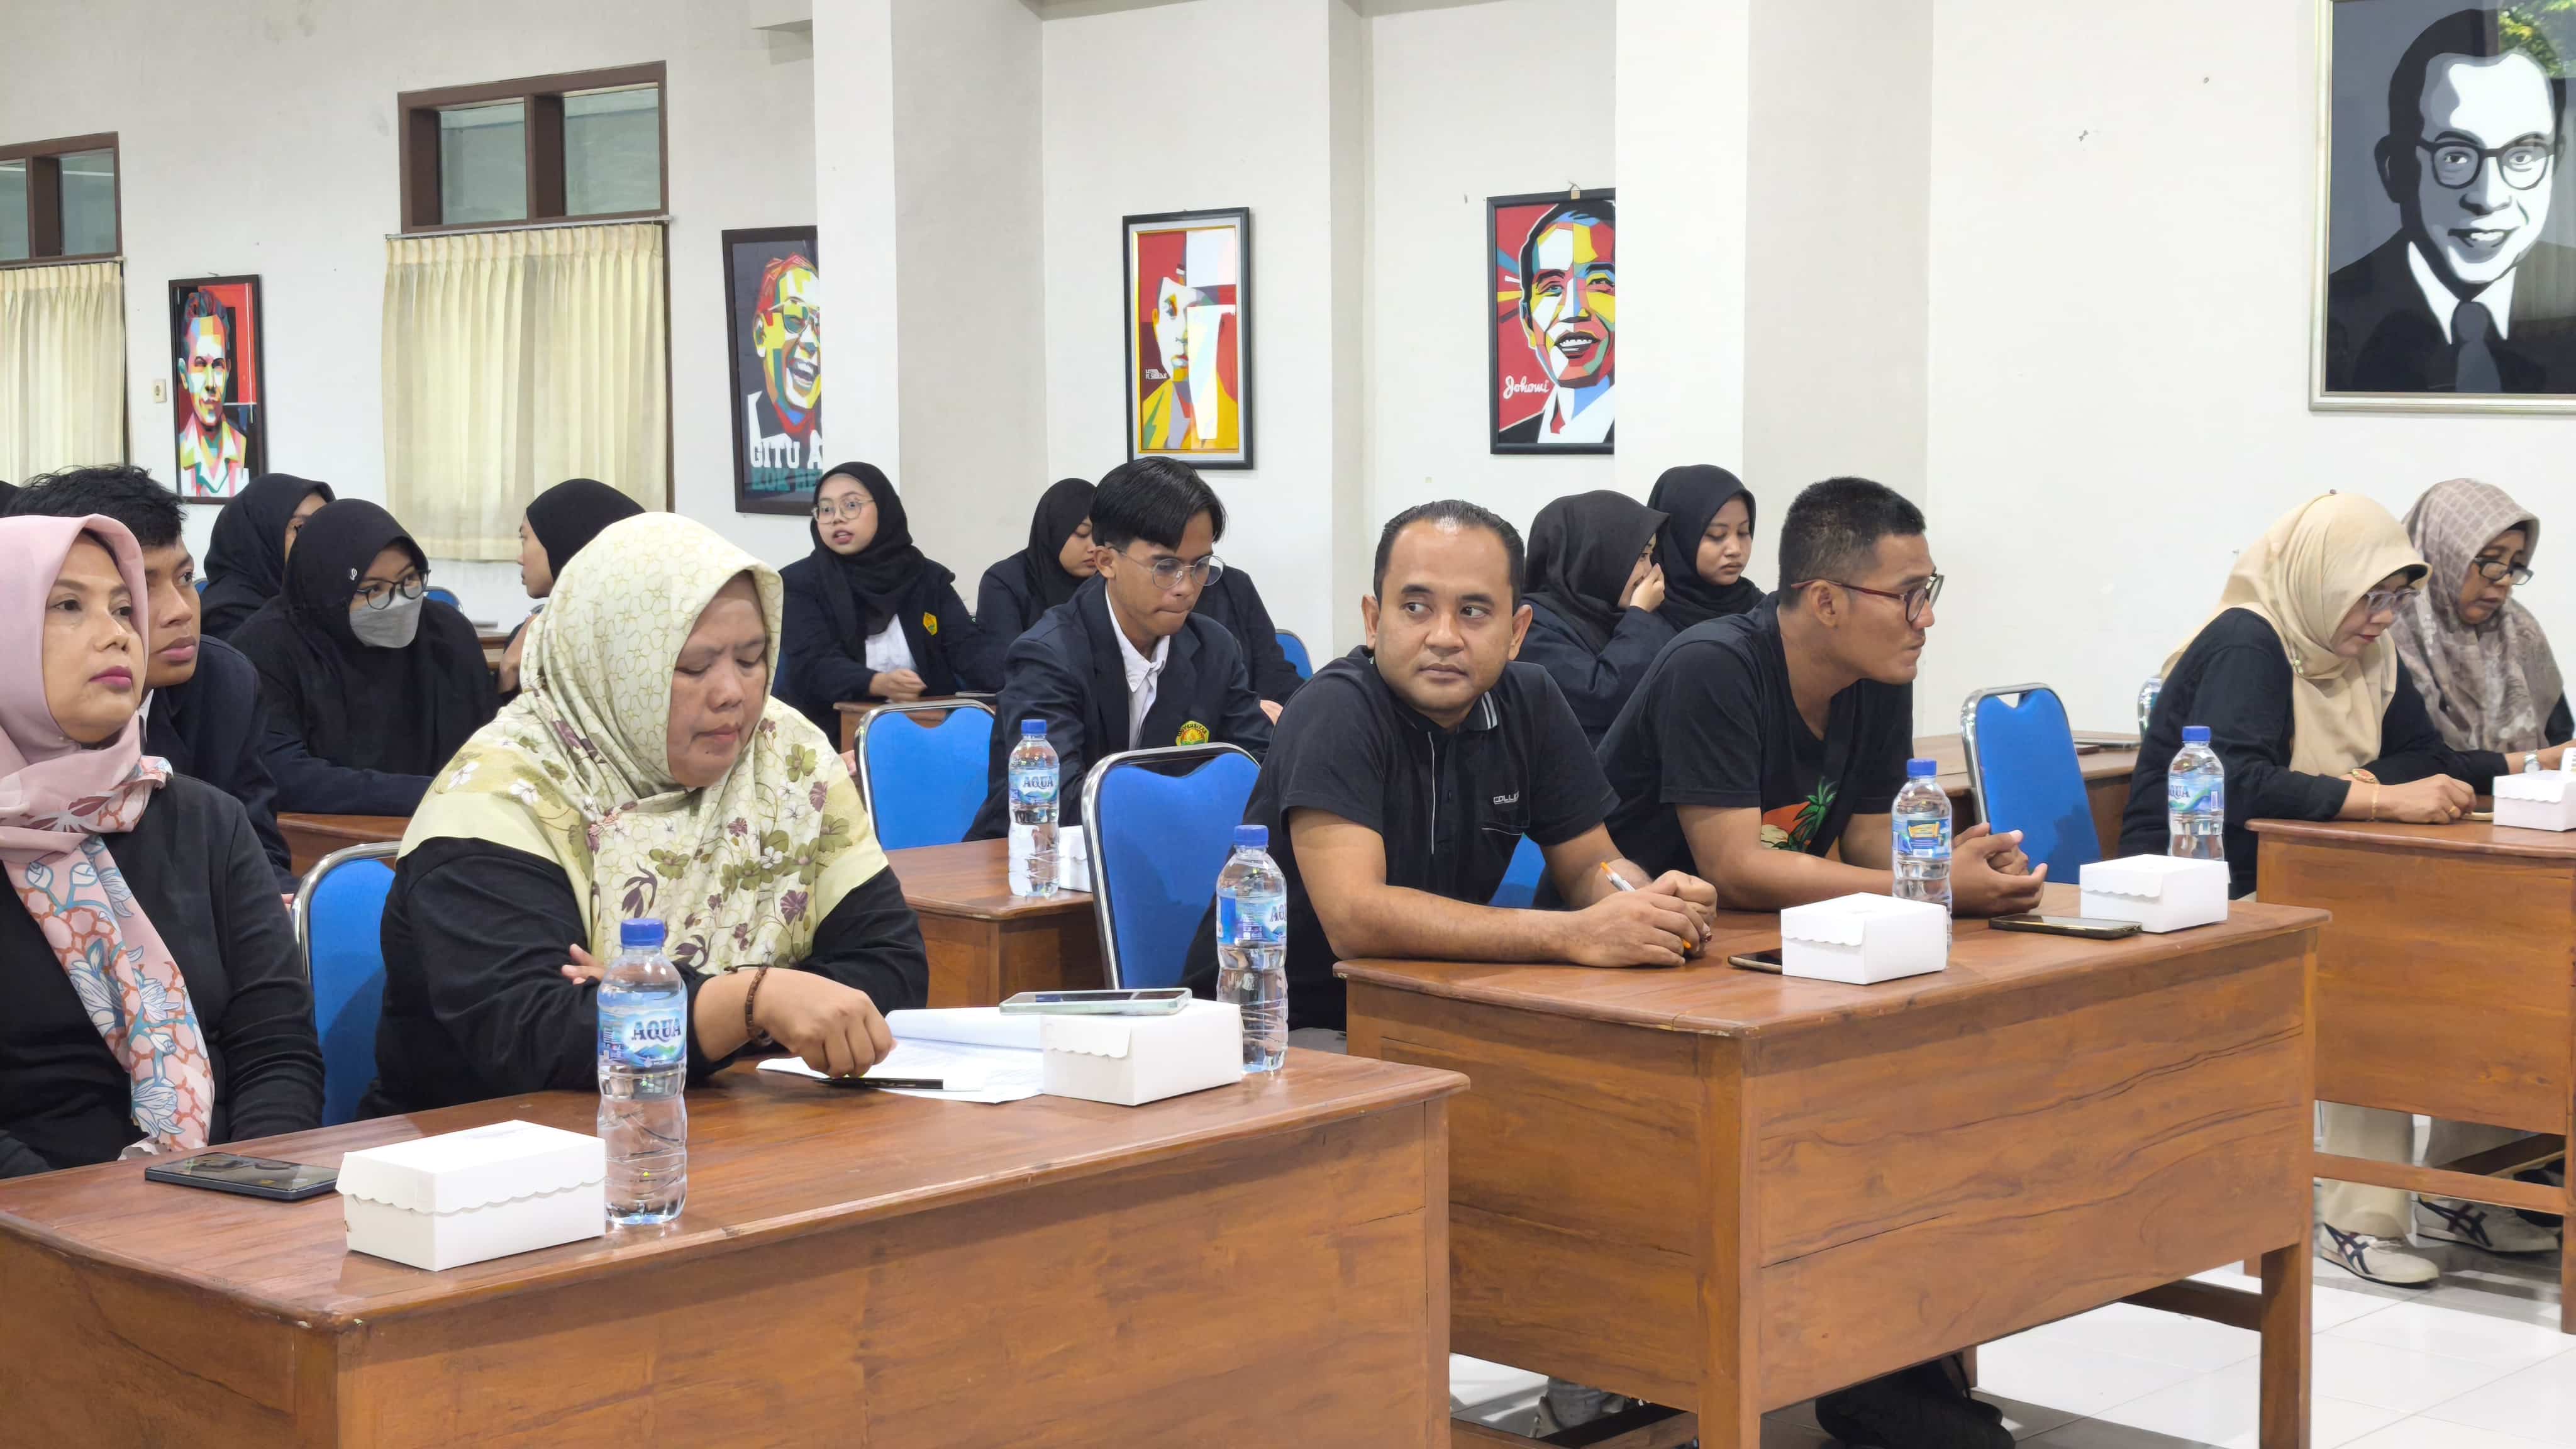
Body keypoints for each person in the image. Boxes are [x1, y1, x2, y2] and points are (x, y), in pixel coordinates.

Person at [363, 515, 928, 1114]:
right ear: (612, 667)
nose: (733, 692)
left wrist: (673, 999)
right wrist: (753, 1000)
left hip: (725, 1120)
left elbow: (892, 969)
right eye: (695, 667)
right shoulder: (499, 797)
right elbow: (537, 1036)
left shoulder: (786, 757)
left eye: (752, 658)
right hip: (487, 1144)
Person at [2121, 494, 2548, 1285]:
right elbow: (2236, 783)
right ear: (2321, 580)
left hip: (2309, 873)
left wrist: (2380, 787)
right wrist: (2376, 799)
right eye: (2369, 597)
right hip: (2204, 886)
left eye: (2395, 600)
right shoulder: (2250, 643)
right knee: (2373, 967)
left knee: (2478, 944)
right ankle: (2359, 1217)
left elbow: (2425, 756)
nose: (2383, 619)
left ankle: (2464, 1187)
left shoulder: (2363, 653)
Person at [1180, 499, 1715, 1043]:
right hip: (1283, 1032)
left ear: (1517, 631)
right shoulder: (1335, 708)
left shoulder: (1531, 701)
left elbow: (1588, 866)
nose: (1443, 637)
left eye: (1474, 612)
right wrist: (1574, 934)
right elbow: (1356, 918)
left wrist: (1646, 904)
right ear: (1373, 621)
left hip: (1433, 1008)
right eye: (1416, 607)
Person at [1, 514, 321, 1177]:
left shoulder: (204, 821)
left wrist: (251, 1186)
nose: (119, 634)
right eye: (68, 606)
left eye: (124, 609)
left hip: (221, 1192)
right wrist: (82, 1223)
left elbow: (276, 1049)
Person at [1587, 477, 2046, 919]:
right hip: (1627, 935)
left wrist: (1946, 868)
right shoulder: (1713, 665)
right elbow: (1735, 871)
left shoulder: (1878, 673)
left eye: (1926, 591)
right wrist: (1925, 886)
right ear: (1826, 602)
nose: (1925, 617)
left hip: (1756, 932)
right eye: (1907, 594)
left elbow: (1869, 838)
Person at [6, 467, 295, 891]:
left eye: (185, 579)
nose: (181, 611)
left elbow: (259, 860)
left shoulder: (224, 683)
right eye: (141, 589)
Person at [967, 456, 1273, 839]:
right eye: (1165, 567)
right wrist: (1194, 798)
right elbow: (1063, 803)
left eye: (1200, 566)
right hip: (1036, 863)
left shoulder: (1214, 649)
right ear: (1106, 562)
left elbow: (1262, 771)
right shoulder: (1047, 656)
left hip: (1168, 853)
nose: (1186, 587)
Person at [2325, 9, 2576, 394]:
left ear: (2555, 163)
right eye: (2455, 157)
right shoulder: (2328, 314)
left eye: (2522, 156)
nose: (2489, 198)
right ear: (2395, 169)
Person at [230, 499, 497, 816]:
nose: (398, 602)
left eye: (409, 580)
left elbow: (489, 749)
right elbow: (283, 775)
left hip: (457, 822)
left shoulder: (445, 634)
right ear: (328, 590)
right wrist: (436, 793)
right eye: (372, 590)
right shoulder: (267, 646)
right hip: (324, 832)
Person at [778, 462, 998, 743]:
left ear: (884, 507)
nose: (837, 519)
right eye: (826, 509)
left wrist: (1022, 673)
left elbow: (968, 650)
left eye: (851, 505)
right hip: (827, 736)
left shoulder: (926, 578)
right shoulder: (799, 584)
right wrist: (877, 683)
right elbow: (814, 666)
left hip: (929, 730)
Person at [2392, 477, 2570, 752]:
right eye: (2491, 560)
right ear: (2443, 553)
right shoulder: (2383, 635)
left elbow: (2561, 744)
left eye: (2516, 565)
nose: (2505, 580)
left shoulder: (2521, 631)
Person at [1517, 490, 1674, 744]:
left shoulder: (1619, 614)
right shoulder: (1532, 625)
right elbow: (1602, 698)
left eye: (1651, 555)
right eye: (1641, 556)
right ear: (1593, 556)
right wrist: (1640, 616)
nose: (1649, 571)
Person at [497, 477, 647, 696]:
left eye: (525, 538)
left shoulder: (621, 646)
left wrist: (509, 669)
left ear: (561, 540)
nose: (520, 558)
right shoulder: (531, 636)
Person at [1496, 199, 1616, 447]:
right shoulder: (1513, 440)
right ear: (1528, 321)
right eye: (1552, 287)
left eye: (1599, 282)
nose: (1573, 311)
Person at [198, 472, 333, 640]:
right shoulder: (229, 620)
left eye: (325, 528)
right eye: (301, 528)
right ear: (260, 535)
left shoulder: (314, 599)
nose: (320, 541)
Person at [975, 477, 1097, 644]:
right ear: (1054, 531)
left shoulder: (1108, 579)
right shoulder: (1005, 582)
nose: (1094, 547)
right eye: (1082, 533)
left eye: (1100, 535)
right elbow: (1005, 656)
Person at [1645, 464, 1762, 630]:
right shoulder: (1642, 614)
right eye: (1717, 535)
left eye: (1743, 532)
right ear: (1677, 538)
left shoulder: (1764, 613)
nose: (1735, 549)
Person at [172, 288, 253, 498]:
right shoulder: (173, 453)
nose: (211, 384)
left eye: (217, 365)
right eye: (200, 364)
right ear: (184, 374)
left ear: (228, 371)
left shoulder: (247, 450)